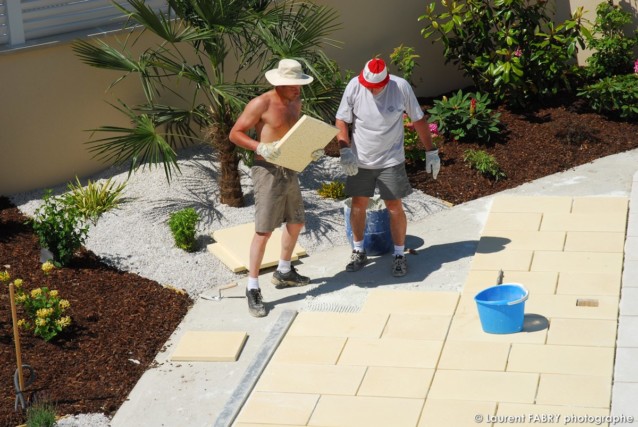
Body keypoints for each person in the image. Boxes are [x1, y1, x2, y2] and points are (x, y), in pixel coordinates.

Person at [229, 59, 323, 317]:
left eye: (300, 84)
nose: (298, 89)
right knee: (264, 231)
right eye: (294, 85)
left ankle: (284, 271)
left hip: (289, 166)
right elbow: (235, 133)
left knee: (296, 222)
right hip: (266, 170)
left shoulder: (296, 102)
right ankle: (252, 287)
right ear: (280, 83)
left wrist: (310, 149)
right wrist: (259, 146)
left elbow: (291, 134)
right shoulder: (261, 103)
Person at [335, 58, 441, 277]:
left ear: (385, 81)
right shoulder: (355, 85)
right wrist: (344, 149)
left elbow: (418, 119)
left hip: (391, 160)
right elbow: (341, 120)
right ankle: (358, 250)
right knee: (358, 205)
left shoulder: (400, 87)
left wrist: (431, 150)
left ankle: (400, 255)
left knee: (394, 207)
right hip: (360, 160)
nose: (370, 89)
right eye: (367, 85)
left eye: (375, 86)